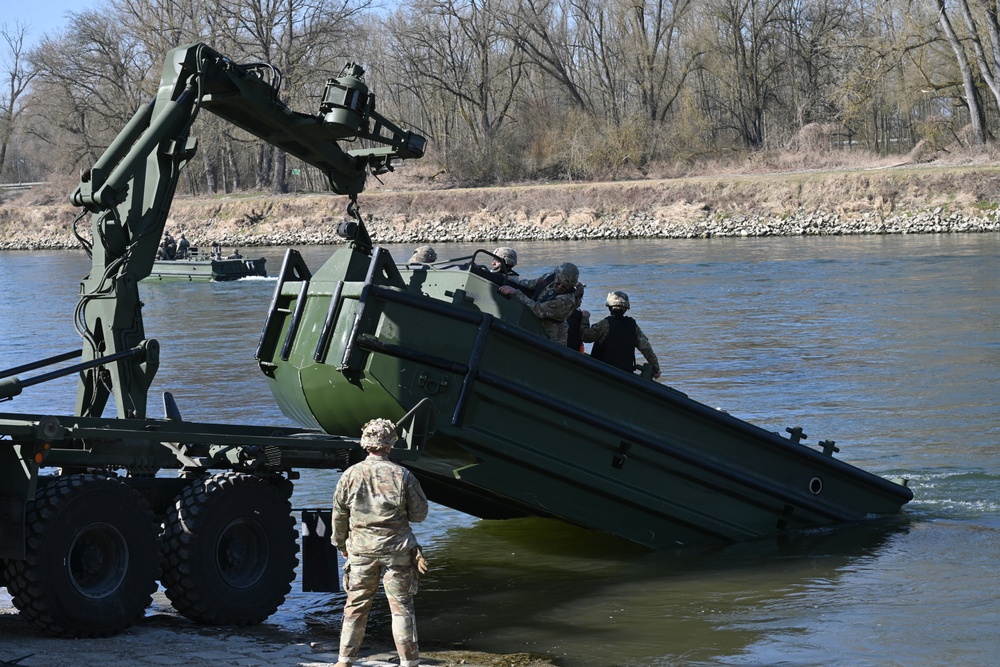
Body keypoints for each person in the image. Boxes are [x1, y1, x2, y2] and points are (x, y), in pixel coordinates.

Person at [332, 418, 429, 667]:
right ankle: (409, 662)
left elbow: (339, 515)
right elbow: (420, 515)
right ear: (389, 445)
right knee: (401, 607)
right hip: (397, 550)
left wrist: (341, 544)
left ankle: (344, 660)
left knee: (356, 605)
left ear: (366, 444)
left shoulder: (349, 475)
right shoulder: (402, 475)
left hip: (361, 550)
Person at [581, 291, 661, 378]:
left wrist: (585, 318)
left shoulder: (605, 324)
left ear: (610, 307)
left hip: (602, 372)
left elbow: (586, 337)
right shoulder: (633, 327)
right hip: (625, 374)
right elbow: (646, 348)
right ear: (626, 308)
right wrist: (656, 368)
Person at [498, 262, 582, 345]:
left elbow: (539, 310)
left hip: (551, 336)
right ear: (556, 276)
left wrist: (517, 293)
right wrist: (510, 280)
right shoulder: (548, 278)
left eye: (564, 287)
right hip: (535, 325)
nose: (560, 287)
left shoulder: (566, 300)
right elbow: (530, 284)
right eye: (558, 283)